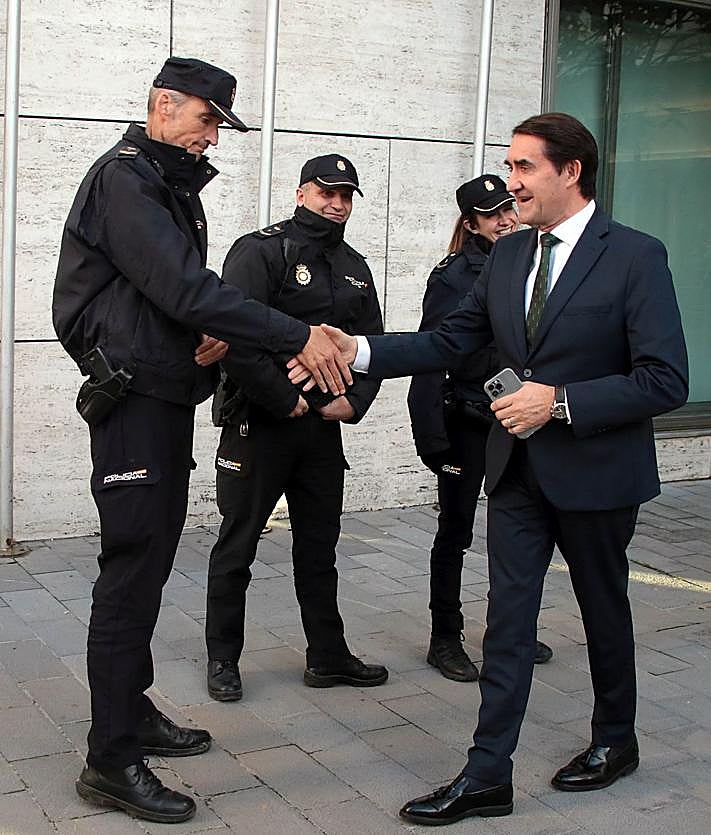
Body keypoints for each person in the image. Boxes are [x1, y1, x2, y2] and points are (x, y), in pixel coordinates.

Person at [298, 113, 689, 824]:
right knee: (507, 622)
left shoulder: (635, 255)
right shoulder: (507, 257)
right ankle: (486, 775)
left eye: (523, 167)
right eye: (509, 167)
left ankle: (616, 740)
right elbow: (449, 340)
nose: (512, 184)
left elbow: (664, 380)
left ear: (570, 171)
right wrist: (359, 349)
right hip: (516, 472)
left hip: (598, 474)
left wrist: (559, 402)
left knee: (603, 610)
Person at [52, 57, 351, 825]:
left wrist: (199, 338)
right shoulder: (126, 180)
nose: (212, 137)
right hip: (133, 404)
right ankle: (109, 759)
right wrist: (295, 333)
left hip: (159, 395)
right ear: (163, 104)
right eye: (207, 119)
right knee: (130, 572)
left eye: (218, 124)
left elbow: (163, 297)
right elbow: (183, 287)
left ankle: (130, 709)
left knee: (149, 566)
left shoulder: (160, 184)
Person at [205, 154, 388, 702]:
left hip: (320, 432)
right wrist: (285, 400)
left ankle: (327, 656)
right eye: (327, 192)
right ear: (301, 192)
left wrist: (354, 402)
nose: (337, 204)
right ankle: (222, 659)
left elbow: (372, 344)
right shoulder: (262, 251)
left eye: (346, 195)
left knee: (319, 549)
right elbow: (233, 336)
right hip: (259, 424)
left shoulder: (354, 265)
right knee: (237, 546)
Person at [407, 174, 552, 683]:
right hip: (467, 422)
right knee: (456, 530)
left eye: (509, 209)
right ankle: (444, 638)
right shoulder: (453, 277)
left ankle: (510, 631)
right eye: (492, 215)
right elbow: (430, 353)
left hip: (515, 419)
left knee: (520, 531)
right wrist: (432, 436)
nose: (506, 220)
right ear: (471, 224)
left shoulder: (530, 262)